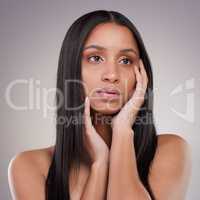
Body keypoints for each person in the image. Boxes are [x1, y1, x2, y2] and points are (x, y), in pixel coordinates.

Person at [8, 10, 192, 200]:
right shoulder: (30, 167)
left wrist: (122, 132)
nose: (112, 75)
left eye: (125, 60)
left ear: (141, 74)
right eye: (95, 58)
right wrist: (99, 165)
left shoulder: (169, 150)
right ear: (71, 69)